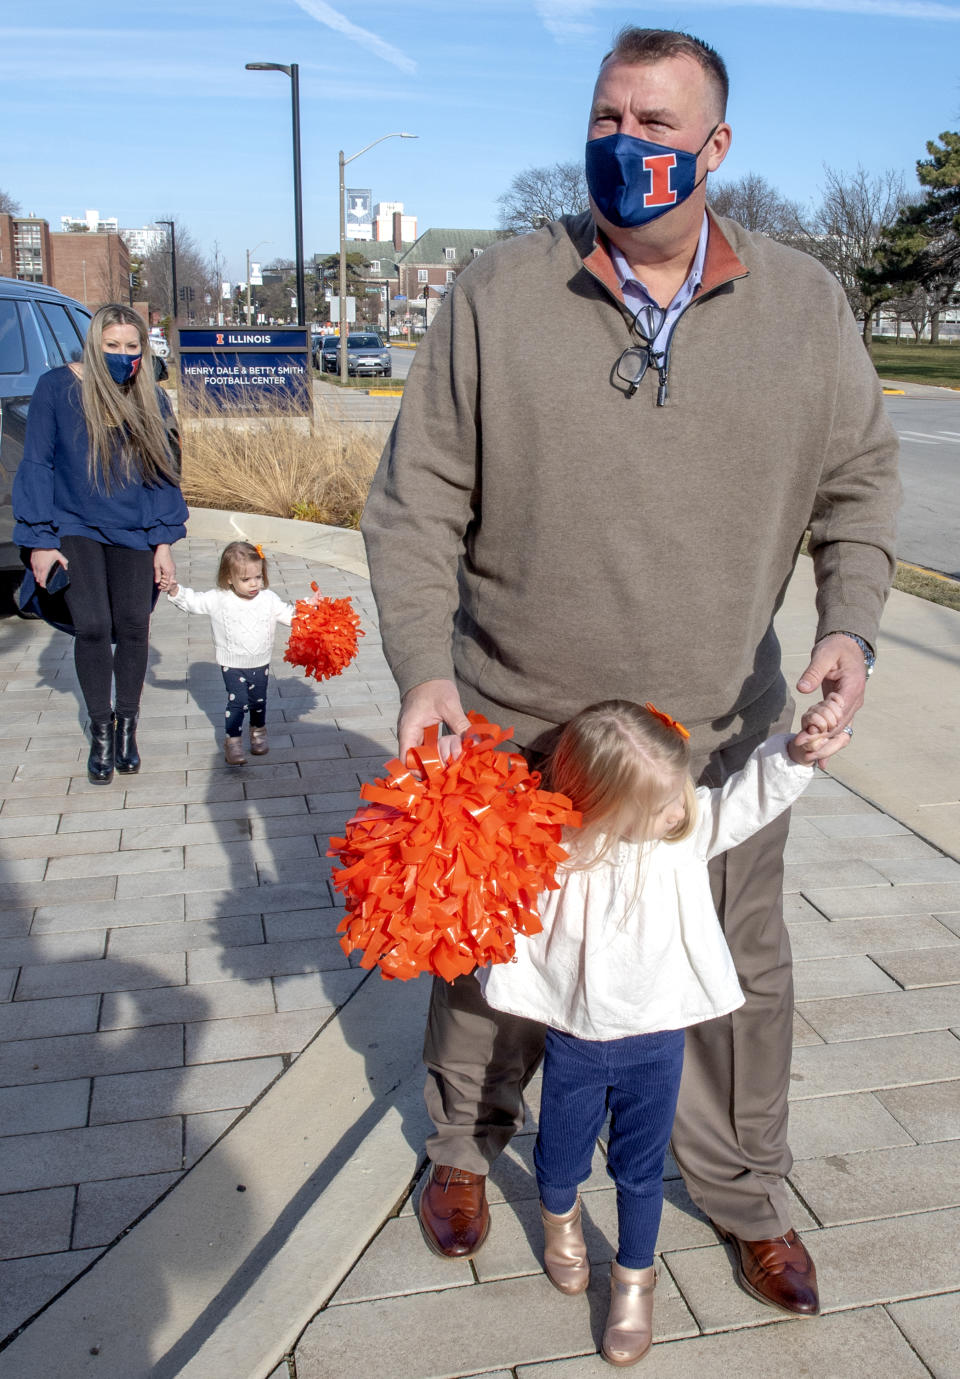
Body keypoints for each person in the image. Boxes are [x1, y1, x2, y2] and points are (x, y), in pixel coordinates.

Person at [360, 27, 901, 1315]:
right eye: (610, 117)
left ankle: (747, 1190)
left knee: (734, 977)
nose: (627, 145)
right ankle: (459, 1144)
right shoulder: (497, 291)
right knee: (489, 967)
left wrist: (851, 624)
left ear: (716, 148)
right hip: (518, 734)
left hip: (708, 738)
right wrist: (423, 667)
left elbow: (860, 485)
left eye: (659, 126)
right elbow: (416, 499)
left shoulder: (805, 306)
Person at [479, 697, 847, 1363]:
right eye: (661, 805)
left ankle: (635, 1279)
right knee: (560, 1157)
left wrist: (793, 756)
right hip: (579, 1039)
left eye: (678, 792)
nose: (679, 811)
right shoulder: (560, 854)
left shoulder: (687, 836)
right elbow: (492, 881)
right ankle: (558, 1214)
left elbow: (745, 797)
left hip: (657, 1041)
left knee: (640, 1169)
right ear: (601, 807)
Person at [13, 303, 187, 784]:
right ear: (94, 344)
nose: (123, 355)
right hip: (74, 525)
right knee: (92, 625)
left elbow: (163, 475)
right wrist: (40, 541)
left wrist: (163, 542)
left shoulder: (150, 397)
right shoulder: (56, 387)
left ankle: (128, 726)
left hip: (132, 527)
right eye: (113, 345)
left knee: (133, 624)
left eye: (132, 346)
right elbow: (38, 464)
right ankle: (101, 729)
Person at [163, 541, 293, 765]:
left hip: (260, 662)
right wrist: (175, 590)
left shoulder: (268, 599)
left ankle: (258, 733)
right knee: (238, 701)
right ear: (229, 578)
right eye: (246, 579)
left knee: (258, 701)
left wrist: (313, 609)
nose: (254, 584)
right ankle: (232, 741)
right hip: (232, 663)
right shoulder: (219, 598)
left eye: (258, 577)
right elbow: (194, 602)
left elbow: (291, 616)